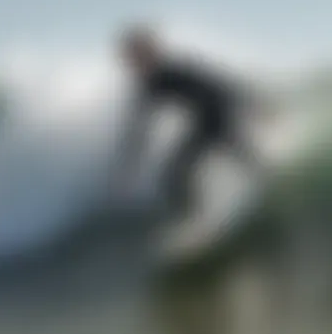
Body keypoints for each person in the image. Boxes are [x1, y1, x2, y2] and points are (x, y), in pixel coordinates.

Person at [111, 21, 262, 220]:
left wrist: (254, 105)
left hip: (219, 115)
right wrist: (127, 167)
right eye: (130, 59)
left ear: (149, 52)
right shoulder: (151, 83)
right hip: (207, 121)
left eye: (136, 56)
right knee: (175, 176)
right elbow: (140, 130)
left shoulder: (173, 70)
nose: (132, 64)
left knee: (235, 157)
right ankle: (195, 215)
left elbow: (221, 86)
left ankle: (200, 215)